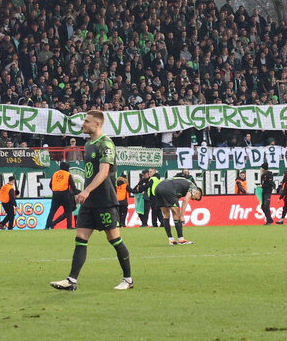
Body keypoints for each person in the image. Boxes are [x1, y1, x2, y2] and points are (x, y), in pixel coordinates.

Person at [50, 110, 133, 291]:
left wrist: (86, 190)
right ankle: (72, 280)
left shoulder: (106, 144)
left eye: (86, 121)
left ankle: (128, 279)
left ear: (97, 124)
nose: (83, 124)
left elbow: (104, 172)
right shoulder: (88, 144)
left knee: (114, 239)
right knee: (80, 238)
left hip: (104, 200)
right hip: (89, 202)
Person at [153, 176, 203, 245]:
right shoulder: (193, 187)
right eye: (195, 198)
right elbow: (185, 199)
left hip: (158, 188)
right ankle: (181, 239)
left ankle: (171, 240)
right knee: (177, 214)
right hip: (168, 188)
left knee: (166, 215)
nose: (193, 199)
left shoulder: (182, 189)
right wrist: (182, 215)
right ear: (198, 193)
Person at [45, 161, 78, 229]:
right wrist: (76, 194)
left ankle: (47, 226)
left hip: (55, 194)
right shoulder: (67, 174)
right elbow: (72, 185)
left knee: (52, 211)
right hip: (65, 194)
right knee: (68, 211)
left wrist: (55, 190)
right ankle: (69, 226)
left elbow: (50, 185)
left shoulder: (55, 174)